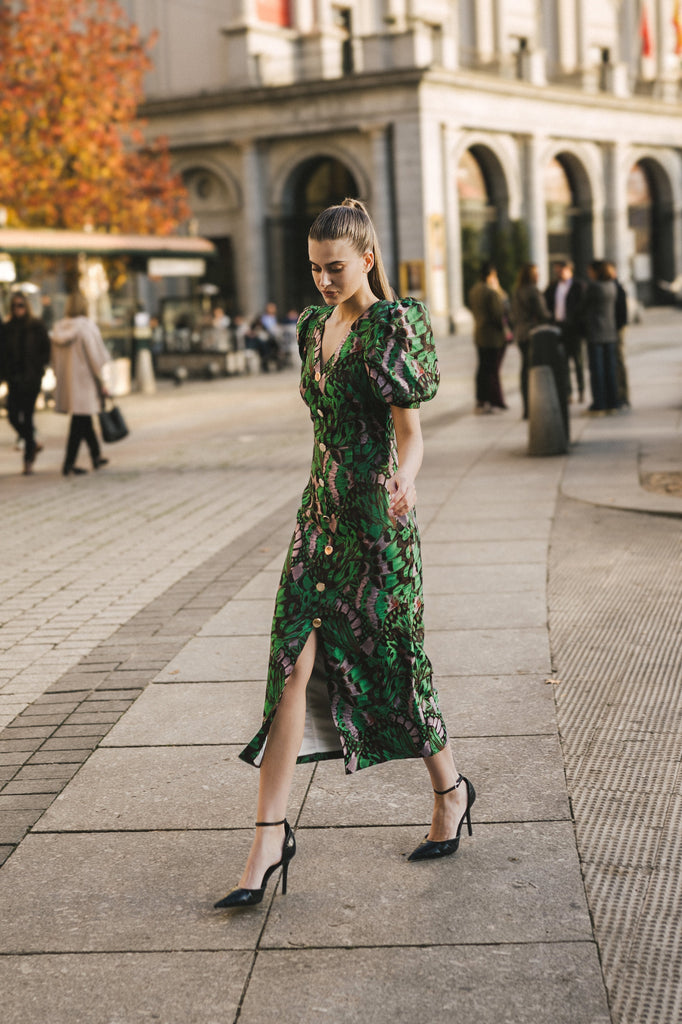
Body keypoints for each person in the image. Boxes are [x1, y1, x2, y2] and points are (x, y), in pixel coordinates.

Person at [214, 198, 475, 910]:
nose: (325, 281)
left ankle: (450, 788)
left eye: (336, 268)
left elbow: (411, 432)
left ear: (366, 258)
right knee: (290, 664)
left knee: (392, 659)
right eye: (314, 269)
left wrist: (407, 479)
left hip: (375, 521)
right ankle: (268, 837)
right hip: (318, 516)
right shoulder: (309, 326)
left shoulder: (391, 327)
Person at [50, 292, 111, 476]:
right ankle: (69, 463)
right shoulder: (86, 328)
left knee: (82, 419)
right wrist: (102, 379)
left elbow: (53, 360)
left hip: (68, 383)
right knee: (80, 420)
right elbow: (95, 357)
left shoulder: (59, 329)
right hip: (85, 382)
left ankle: (95, 456)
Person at [0, 291, 51, 475]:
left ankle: (28, 460)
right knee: (13, 415)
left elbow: (46, 349)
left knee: (27, 417)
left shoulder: (36, 326)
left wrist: (39, 369)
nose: (17, 309)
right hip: (14, 379)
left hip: (32, 379)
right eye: (14, 305)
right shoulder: (7, 328)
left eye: (20, 305)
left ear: (26, 306)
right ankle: (32, 442)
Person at [468, 261, 509, 414]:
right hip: (493, 337)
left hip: (479, 334)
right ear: (491, 275)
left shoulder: (474, 290)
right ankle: (492, 400)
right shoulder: (491, 292)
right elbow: (498, 315)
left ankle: (481, 399)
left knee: (482, 369)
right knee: (491, 370)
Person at [511, 262, 551, 419]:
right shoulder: (533, 292)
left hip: (520, 334)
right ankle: (536, 406)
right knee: (535, 370)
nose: (538, 275)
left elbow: (513, 314)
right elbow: (543, 313)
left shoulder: (517, 292)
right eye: (536, 273)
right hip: (533, 334)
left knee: (524, 370)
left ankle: (527, 407)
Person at [544, 260, 585, 403]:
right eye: (556, 270)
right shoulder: (552, 287)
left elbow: (582, 307)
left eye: (560, 270)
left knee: (578, 361)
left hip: (573, 328)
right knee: (563, 361)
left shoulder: (578, 286)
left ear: (569, 269)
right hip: (558, 327)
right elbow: (547, 304)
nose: (558, 273)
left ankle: (581, 390)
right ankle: (568, 392)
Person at [581, 260, 619, 414]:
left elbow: (582, 307)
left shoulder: (594, 287)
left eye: (590, 270)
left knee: (597, 370)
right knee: (610, 369)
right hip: (610, 332)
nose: (589, 273)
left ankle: (600, 403)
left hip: (596, 333)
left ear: (596, 271)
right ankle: (613, 402)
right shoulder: (612, 286)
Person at [605, 261, 630, 408]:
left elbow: (622, 313)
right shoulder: (613, 286)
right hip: (612, 328)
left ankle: (622, 394)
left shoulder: (616, 287)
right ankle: (617, 393)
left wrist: (618, 327)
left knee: (618, 360)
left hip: (616, 329)